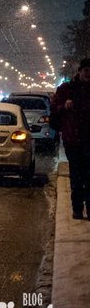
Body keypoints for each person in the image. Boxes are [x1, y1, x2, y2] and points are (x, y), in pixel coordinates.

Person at [52, 58, 90, 220]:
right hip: (73, 139)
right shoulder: (67, 89)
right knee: (76, 174)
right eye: (86, 70)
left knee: (88, 175)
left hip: (88, 140)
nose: (89, 73)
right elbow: (54, 109)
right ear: (80, 71)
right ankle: (77, 209)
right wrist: (64, 106)